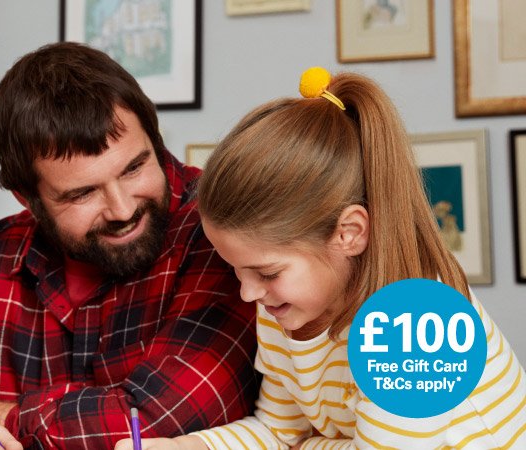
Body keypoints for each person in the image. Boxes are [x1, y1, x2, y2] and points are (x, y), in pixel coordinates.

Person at [116, 68, 526, 449]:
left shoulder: (418, 324)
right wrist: (185, 446)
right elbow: (279, 431)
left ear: (349, 234)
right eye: (236, 270)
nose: (247, 293)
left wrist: (309, 445)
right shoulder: (282, 309)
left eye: (266, 272)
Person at [0, 42, 260, 449]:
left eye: (134, 168)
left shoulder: (218, 228)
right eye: (82, 194)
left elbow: (162, 417)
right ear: (28, 200)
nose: (122, 209)